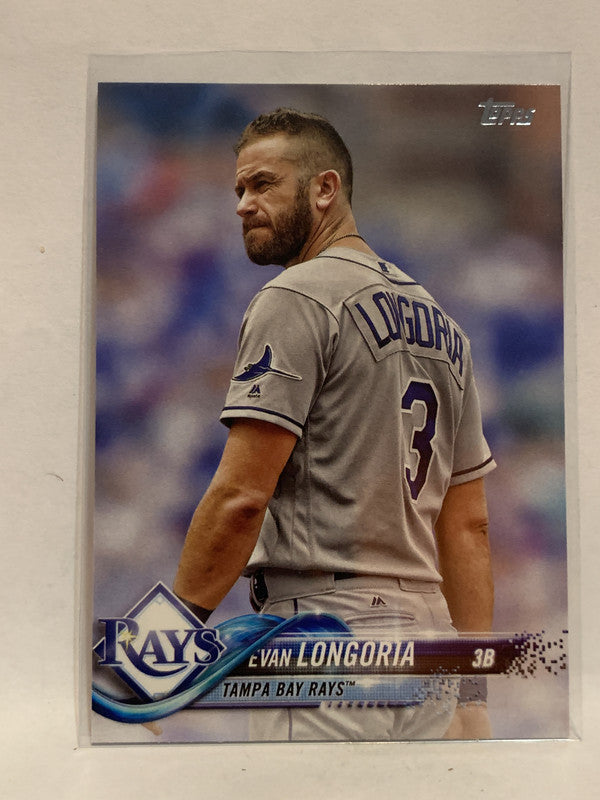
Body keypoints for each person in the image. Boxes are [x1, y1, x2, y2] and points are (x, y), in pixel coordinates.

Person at [174, 108, 495, 741]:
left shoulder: (296, 296)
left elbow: (241, 499)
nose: (243, 204)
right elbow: (469, 528)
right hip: (430, 638)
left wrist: (161, 652)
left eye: (263, 183)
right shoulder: (445, 326)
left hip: (326, 631)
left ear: (325, 188)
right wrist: (474, 688)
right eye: (239, 189)